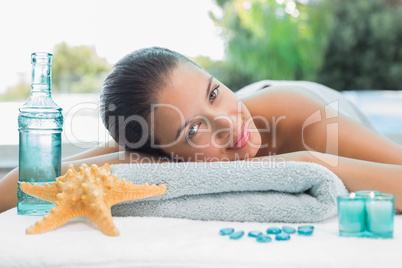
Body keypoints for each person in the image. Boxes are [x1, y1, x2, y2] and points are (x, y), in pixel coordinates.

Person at [1, 46, 402, 213]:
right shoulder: (151, 144)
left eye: (214, 92)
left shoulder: (307, 122)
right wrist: (131, 157)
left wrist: (310, 162)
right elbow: (28, 181)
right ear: (164, 154)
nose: (228, 124)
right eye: (194, 131)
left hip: (322, 103)